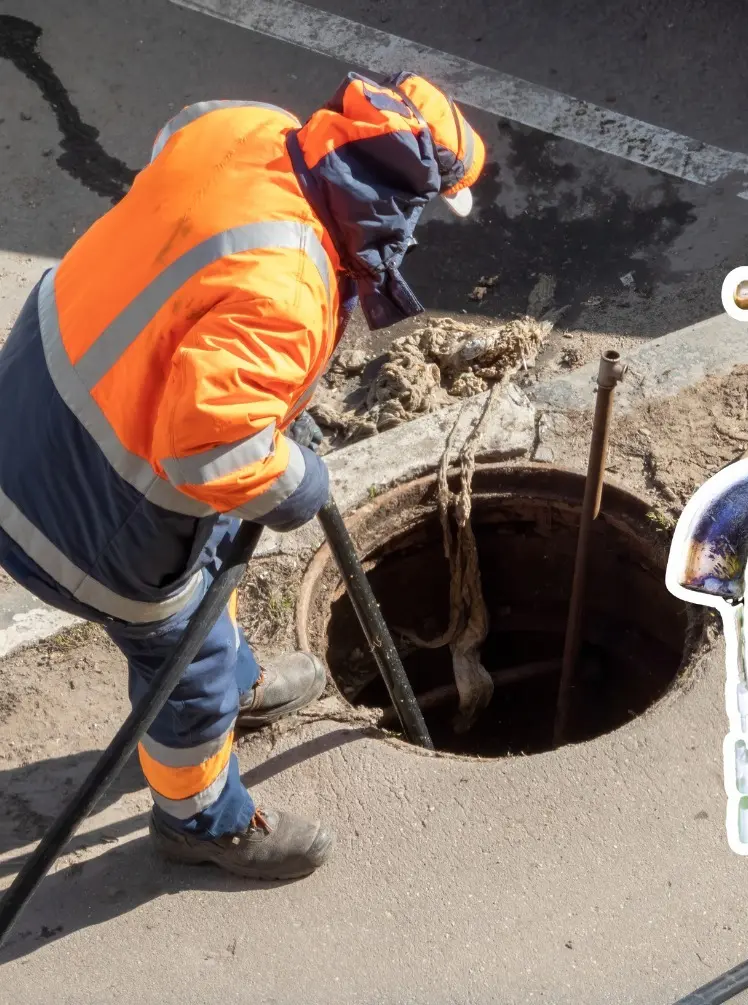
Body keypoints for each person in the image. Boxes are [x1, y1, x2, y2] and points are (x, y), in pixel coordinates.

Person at [0, 70, 486, 880]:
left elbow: (176, 142)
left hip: (37, 395)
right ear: (397, 199)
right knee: (183, 666)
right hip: (87, 508)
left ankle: (239, 682)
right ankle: (200, 820)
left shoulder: (248, 128)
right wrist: (298, 481)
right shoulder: (289, 288)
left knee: (217, 550)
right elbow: (207, 453)